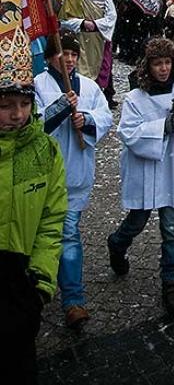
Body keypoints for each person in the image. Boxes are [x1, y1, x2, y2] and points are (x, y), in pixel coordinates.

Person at [107, 37, 174, 316]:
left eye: (167, 62)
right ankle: (117, 243)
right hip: (144, 170)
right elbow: (128, 132)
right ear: (147, 66)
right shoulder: (135, 98)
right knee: (137, 221)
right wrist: (162, 126)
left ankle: (170, 283)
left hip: (171, 170)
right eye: (158, 63)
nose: (163, 68)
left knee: (171, 229)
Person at [0, 30, 67, 384]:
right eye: (6, 105)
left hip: (21, 282)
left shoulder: (45, 151)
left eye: (24, 104)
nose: (17, 114)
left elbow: (51, 220)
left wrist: (40, 282)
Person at [34, 30, 113, 329]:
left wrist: (87, 120)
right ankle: (38, 287)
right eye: (62, 53)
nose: (68, 59)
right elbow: (35, 124)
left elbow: (105, 117)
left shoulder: (89, 87)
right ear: (50, 57)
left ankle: (73, 300)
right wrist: (59, 108)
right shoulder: (38, 85)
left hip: (76, 175)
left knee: (69, 234)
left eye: (72, 54)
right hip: (45, 176)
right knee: (41, 236)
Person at [59, 0, 117, 101]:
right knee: (80, 68)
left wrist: (96, 24)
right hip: (80, 38)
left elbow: (111, 17)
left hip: (99, 38)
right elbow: (64, 20)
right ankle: (80, 94)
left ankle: (97, 95)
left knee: (102, 68)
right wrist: (82, 23)